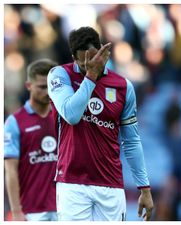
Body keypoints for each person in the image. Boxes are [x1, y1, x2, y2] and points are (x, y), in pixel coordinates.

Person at [47, 26, 153, 221]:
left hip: (110, 184)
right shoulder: (59, 76)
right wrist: (91, 78)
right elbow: (71, 115)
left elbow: (131, 141)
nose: (89, 64)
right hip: (72, 182)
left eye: (93, 58)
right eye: (83, 61)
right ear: (73, 57)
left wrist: (144, 188)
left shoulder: (123, 87)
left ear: (103, 52)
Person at [5, 59, 58, 221]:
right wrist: (16, 211)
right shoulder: (15, 122)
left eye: (51, 86)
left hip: (64, 208)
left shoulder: (62, 117)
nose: (48, 91)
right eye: (42, 87)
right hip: (31, 211)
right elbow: (10, 170)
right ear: (29, 86)